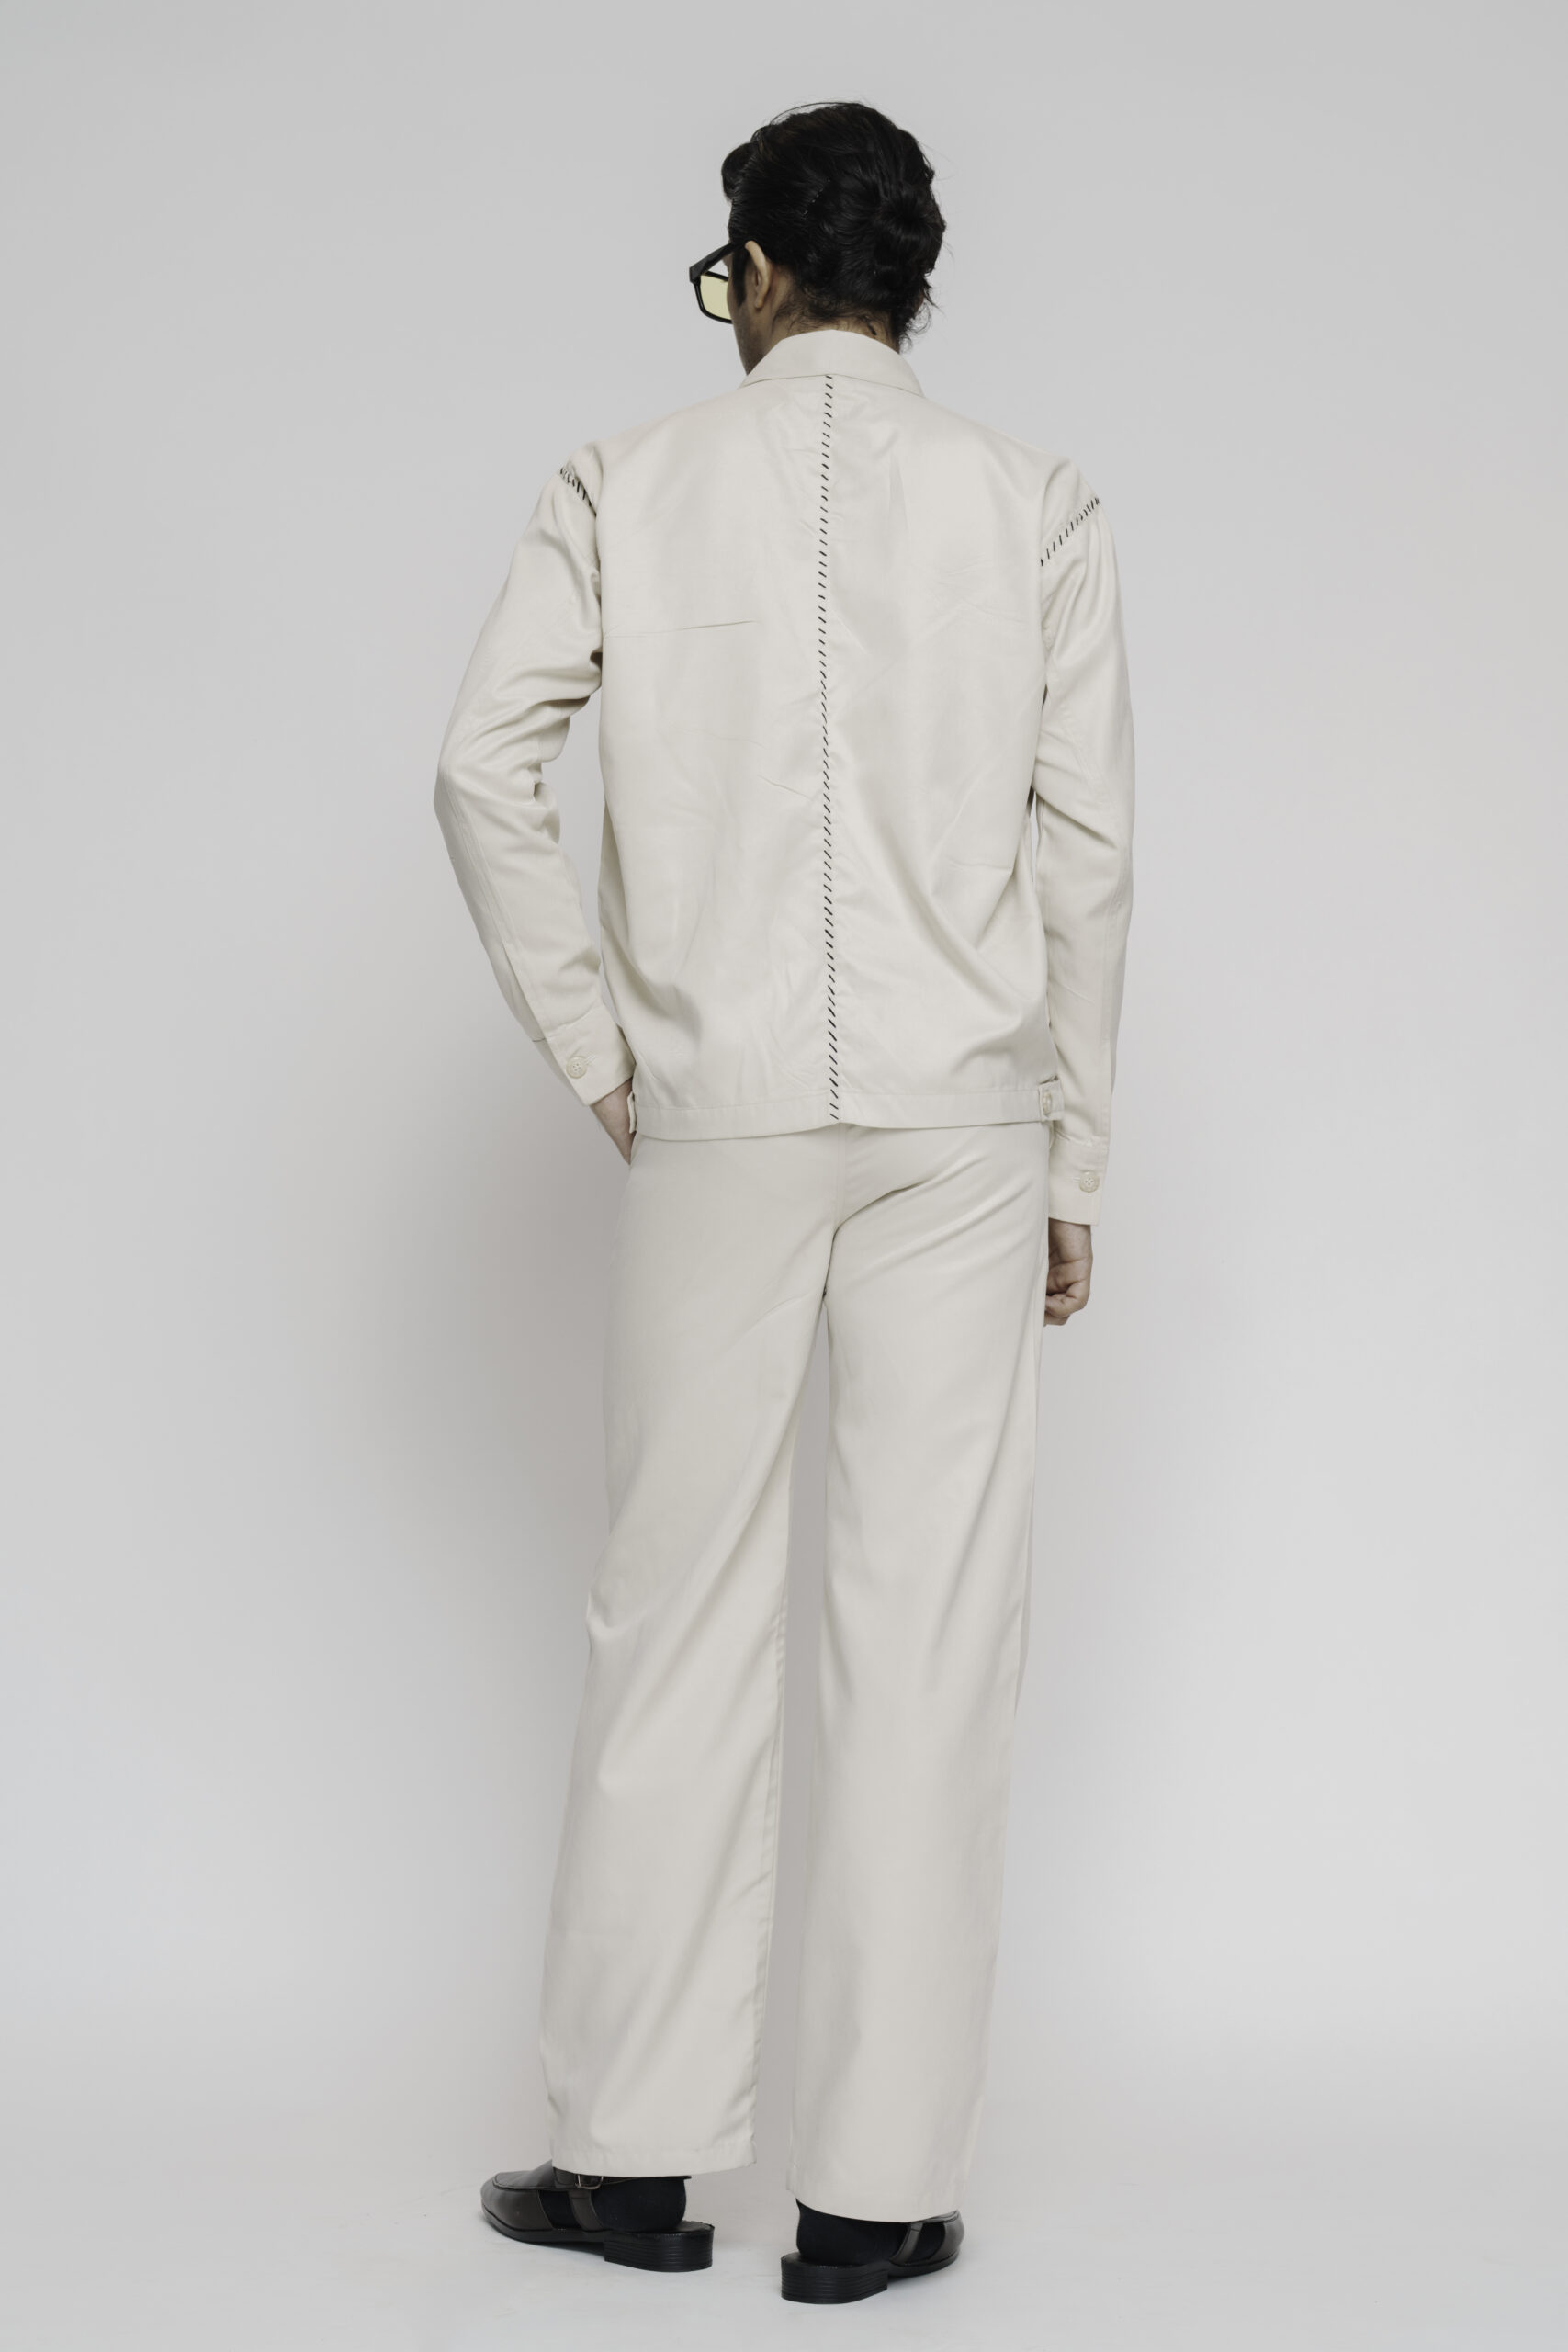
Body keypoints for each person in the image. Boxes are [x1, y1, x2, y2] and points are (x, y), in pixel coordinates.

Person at [434, 99, 1134, 2306]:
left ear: (749, 268)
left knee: (674, 1615)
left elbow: (477, 765)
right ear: (905, 281)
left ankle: (625, 2168)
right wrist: (1073, 1150)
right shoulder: (1030, 500)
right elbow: (1086, 853)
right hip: (961, 1123)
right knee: (924, 1634)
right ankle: (869, 2198)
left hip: (713, 1114)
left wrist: (601, 1049)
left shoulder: (622, 480)